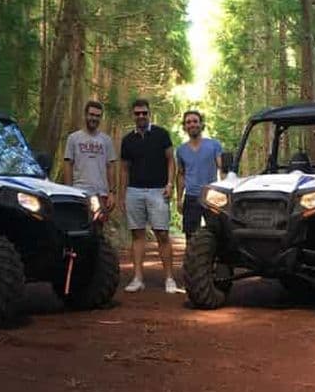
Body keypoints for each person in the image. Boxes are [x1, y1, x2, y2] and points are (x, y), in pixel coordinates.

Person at [120, 99, 178, 294]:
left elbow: (171, 161)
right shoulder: (127, 140)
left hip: (158, 191)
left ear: (149, 113)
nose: (141, 116)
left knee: (162, 234)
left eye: (144, 113)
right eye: (137, 113)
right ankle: (137, 278)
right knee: (137, 235)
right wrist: (123, 194)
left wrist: (170, 185)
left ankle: (169, 278)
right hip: (134, 191)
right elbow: (124, 169)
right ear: (133, 115)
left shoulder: (161, 135)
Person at [176, 110, 222, 244]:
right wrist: (179, 198)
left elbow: (222, 169)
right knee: (191, 235)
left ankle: (217, 263)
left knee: (216, 232)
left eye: (195, 121)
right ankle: (191, 264)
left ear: (201, 124)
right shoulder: (181, 150)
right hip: (191, 196)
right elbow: (181, 174)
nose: (192, 125)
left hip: (211, 196)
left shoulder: (214, 145)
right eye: (188, 122)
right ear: (184, 127)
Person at [64, 100, 117, 218]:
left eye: (98, 116)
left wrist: (112, 193)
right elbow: (68, 164)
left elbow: (110, 167)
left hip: (101, 193)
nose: (94, 118)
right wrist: (68, 191)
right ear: (85, 115)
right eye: (92, 115)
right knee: (78, 225)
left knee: (98, 229)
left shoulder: (106, 140)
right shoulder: (73, 138)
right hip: (79, 191)